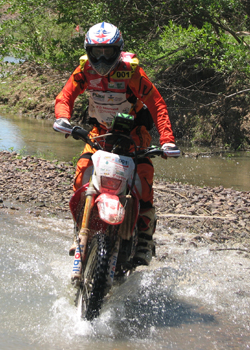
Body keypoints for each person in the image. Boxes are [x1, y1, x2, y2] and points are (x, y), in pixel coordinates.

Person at [53, 22, 178, 266]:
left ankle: (144, 237)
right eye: (97, 52)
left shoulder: (131, 72)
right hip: (100, 132)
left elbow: (157, 104)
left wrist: (168, 140)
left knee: (143, 179)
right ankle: (79, 229)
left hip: (134, 134)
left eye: (107, 52)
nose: (101, 58)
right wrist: (62, 117)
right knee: (82, 174)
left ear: (118, 50)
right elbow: (65, 95)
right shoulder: (84, 70)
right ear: (88, 51)